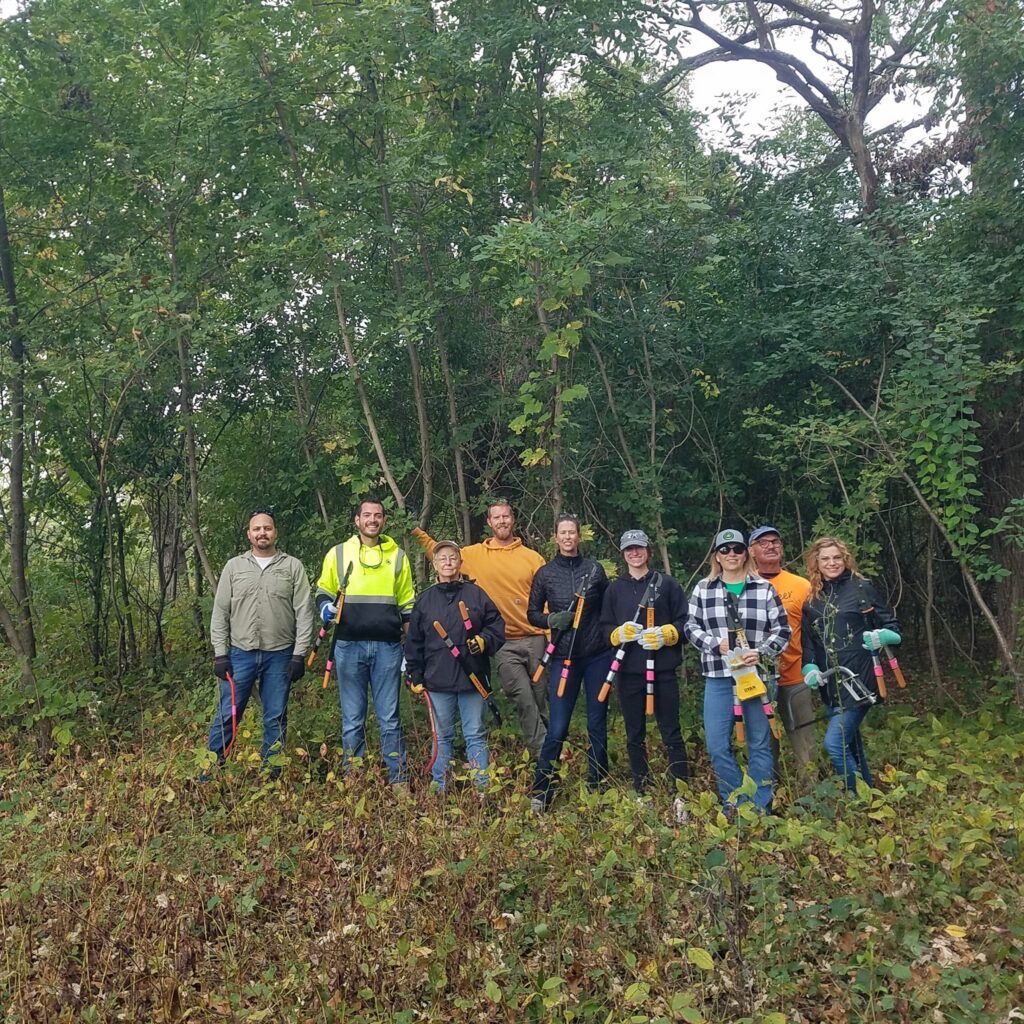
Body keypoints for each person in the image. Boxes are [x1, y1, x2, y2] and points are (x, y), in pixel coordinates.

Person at [413, 501, 548, 758]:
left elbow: (546, 596)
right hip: (503, 642)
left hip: (535, 638)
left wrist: (551, 634)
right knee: (524, 699)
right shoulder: (473, 555)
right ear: (489, 522)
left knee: (541, 700)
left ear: (513, 519)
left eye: (506, 516)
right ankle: (543, 757)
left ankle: (547, 752)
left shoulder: (532, 558)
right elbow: (441, 556)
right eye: (496, 517)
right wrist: (414, 530)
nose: (502, 521)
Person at [684, 528, 790, 812]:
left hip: (757, 678)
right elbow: (691, 627)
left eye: (737, 549)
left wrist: (762, 651)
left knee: (759, 744)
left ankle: (760, 808)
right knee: (717, 745)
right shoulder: (703, 589)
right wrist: (714, 644)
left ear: (746, 554)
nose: (731, 555)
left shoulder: (764, 589)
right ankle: (736, 804)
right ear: (716, 556)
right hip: (719, 677)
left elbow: (782, 630)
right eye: (725, 550)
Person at [206, 508, 314, 779]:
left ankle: (271, 777)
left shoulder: (292, 567)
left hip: (280, 655)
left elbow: (304, 612)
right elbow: (220, 613)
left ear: (275, 532)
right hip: (240, 653)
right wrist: (221, 654)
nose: (262, 533)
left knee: (275, 716)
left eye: (267, 528)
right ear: (249, 534)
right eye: (257, 529)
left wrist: (299, 655)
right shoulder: (234, 567)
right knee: (227, 714)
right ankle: (210, 773)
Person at [315, 496, 415, 789]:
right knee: (352, 719)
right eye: (367, 515)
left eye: (378, 515)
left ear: (384, 521)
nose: (373, 520)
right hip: (348, 646)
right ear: (357, 520)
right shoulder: (339, 553)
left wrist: (411, 646)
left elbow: (407, 601)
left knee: (390, 718)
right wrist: (325, 608)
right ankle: (354, 778)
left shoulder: (397, 556)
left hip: (388, 647)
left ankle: (398, 781)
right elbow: (323, 589)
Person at [801, 537, 901, 791]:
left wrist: (884, 636)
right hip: (831, 682)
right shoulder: (813, 598)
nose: (832, 563)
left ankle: (858, 797)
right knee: (852, 744)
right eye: (825, 559)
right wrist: (810, 668)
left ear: (845, 559)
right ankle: (870, 793)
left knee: (834, 744)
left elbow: (892, 626)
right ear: (816, 562)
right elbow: (810, 643)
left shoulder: (861, 588)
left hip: (861, 679)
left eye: (837, 557)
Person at [600, 529, 690, 811]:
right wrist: (617, 634)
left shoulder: (667, 585)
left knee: (671, 732)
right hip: (629, 673)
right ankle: (642, 790)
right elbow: (604, 628)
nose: (634, 553)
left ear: (647, 551)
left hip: (662, 670)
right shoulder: (614, 589)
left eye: (639, 548)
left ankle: (681, 792)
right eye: (629, 549)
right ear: (623, 553)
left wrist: (669, 634)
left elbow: (686, 624)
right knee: (633, 734)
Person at [405, 541, 505, 792]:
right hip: (437, 680)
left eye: (452, 558)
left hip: (473, 679)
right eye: (442, 559)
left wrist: (484, 641)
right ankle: (440, 788)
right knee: (442, 737)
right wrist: (414, 674)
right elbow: (414, 642)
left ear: (460, 562)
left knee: (475, 734)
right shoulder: (425, 601)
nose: (448, 562)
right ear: (435, 565)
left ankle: (482, 789)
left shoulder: (476, 594)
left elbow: (496, 626)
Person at [528, 514, 611, 812]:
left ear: (579, 537)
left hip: (597, 656)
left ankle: (597, 784)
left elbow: (608, 609)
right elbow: (532, 614)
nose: (567, 537)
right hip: (562, 657)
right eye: (562, 533)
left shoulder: (595, 570)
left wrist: (607, 636)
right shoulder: (545, 574)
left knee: (596, 722)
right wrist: (551, 619)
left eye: (571, 532)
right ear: (556, 537)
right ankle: (542, 790)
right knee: (558, 726)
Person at [747, 525, 815, 780]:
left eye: (775, 541)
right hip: (756, 680)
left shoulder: (801, 585)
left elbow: (813, 632)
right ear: (751, 551)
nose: (771, 546)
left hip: (795, 678)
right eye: (763, 542)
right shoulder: (742, 585)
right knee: (764, 743)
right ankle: (769, 796)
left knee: (805, 742)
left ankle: (811, 796)